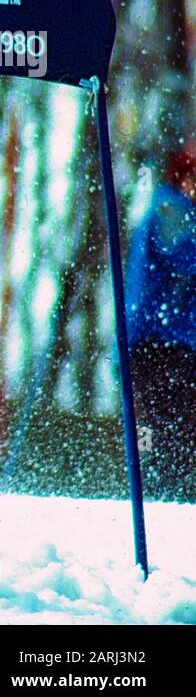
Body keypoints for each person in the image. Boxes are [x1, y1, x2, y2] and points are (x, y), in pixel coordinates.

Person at [125, 137, 196, 502]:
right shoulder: (171, 210)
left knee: (176, 429)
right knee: (161, 430)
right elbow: (185, 254)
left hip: (174, 344)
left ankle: (167, 489)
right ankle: (159, 495)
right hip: (159, 345)